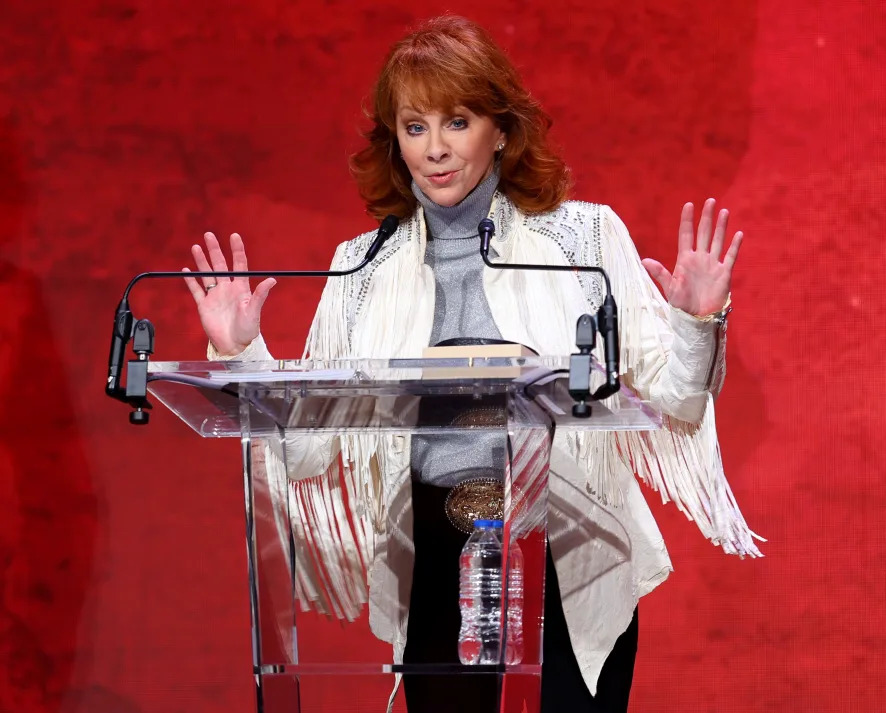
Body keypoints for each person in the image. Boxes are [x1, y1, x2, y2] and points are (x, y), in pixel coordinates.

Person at [182, 15, 760, 713]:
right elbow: (308, 451)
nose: (435, 149)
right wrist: (246, 354)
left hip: (564, 558)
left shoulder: (583, 239)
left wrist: (695, 324)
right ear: (394, 143)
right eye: (414, 126)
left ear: (502, 129)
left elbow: (676, 399)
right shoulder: (362, 269)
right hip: (434, 561)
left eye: (456, 121)